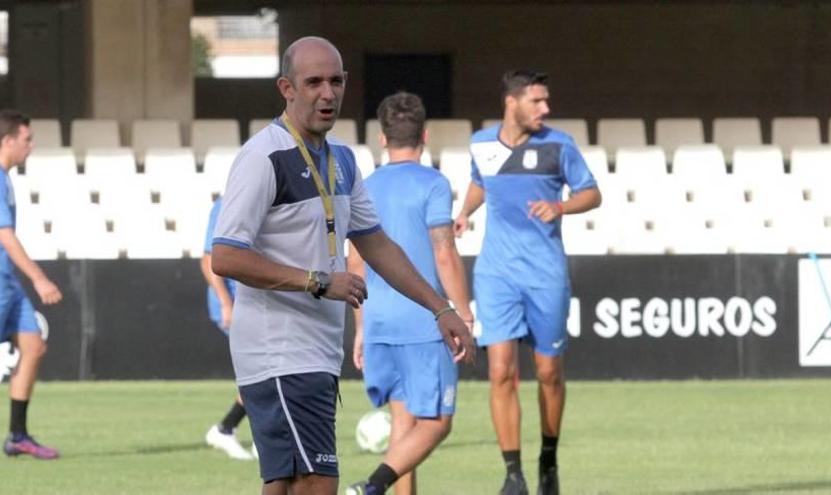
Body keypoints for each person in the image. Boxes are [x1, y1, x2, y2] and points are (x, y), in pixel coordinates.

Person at [210, 37, 475, 495]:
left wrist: (441, 308)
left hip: (316, 352)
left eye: (336, 81)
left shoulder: (342, 160)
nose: (327, 93)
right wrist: (316, 282)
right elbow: (226, 256)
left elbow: (377, 245)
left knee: (286, 485)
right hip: (278, 352)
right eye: (313, 82)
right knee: (317, 483)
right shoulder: (263, 157)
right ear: (287, 88)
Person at [453, 70, 601, 495]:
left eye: (545, 101)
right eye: (537, 101)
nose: (545, 109)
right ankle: (512, 474)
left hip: (546, 274)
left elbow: (592, 193)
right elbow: (482, 183)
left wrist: (561, 206)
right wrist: (466, 212)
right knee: (500, 373)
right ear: (511, 103)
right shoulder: (481, 143)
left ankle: (548, 458)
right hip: (497, 272)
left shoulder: (559, 145)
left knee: (549, 372)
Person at [345, 92, 474, 495]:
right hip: (424, 323)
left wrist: (361, 328)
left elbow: (355, 263)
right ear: (426, 136)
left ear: (382, 140)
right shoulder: (434, 183)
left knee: (404, 426)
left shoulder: (363, 187)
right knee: (436, 422)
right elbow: (444, 250)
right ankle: (370, 487)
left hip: (380, 320)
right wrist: (463, 313)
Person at [0, 110, 63, 460]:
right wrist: (39, 278)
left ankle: (17, 436)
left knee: (34, 346)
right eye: (27, 139)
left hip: (8, 281)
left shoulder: (6, 178)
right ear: (8, 141)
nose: (31, 146)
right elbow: (4, 236)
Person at [200, 195, 254, 461]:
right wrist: (226, 303)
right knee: (264, 374)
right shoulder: (227, 203)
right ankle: (227, 429)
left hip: (257, 303)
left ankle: (236, 431)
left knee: (268, 373)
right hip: (237, 305)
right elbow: (208, 260)